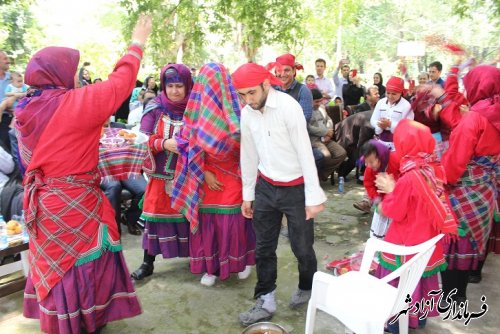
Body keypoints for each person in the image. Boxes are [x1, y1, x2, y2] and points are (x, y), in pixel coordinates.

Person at [16, 15, 151, 334]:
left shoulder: (25, 109)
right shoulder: (74, 104)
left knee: (56, 267)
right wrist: (137, 43)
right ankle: (85, 323)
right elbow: (120, 85)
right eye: (76, 73)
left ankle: (65, 325)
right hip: (74, 203)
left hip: (44, 206)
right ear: (60, 75)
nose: (80, 79)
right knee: (83, 263)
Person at [232, 62, 327, 326]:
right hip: (265, 186)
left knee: (302, 246)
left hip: (295, 189)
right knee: (263, 247)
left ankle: (307, 286)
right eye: (242, 95)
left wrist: (313, 196)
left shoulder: (288, 107)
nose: (247, 100)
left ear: (265, 85)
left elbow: (305, 152)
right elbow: (248, 154)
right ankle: (265, 298)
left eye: (251, 93)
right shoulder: (247, 113)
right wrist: (247, 194)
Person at [172, 63, 256, 287]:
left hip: (234, 175)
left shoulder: (240, 109)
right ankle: (212, 267)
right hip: (204, 176)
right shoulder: (194, 111)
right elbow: (186, 145)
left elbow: (249, 149)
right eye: (206, 82)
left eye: (215, 81)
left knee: (234, 219)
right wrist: (205, 172)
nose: (211, 87)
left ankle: (243, 260)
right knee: (207, 221)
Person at [375, 119, 456, 333]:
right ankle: (418, 319)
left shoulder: (410, 177)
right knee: (419, 281)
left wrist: (390, 190)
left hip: (405, 243)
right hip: (427, 242)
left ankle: (394, 324)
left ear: (404, 146)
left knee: (400, 284)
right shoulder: (434, 168)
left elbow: (394, 211)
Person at [439, 65, 499, 304]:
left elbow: (454, 163)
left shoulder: (474, 119)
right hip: (487, 191)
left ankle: (451, 297)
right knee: (472, 241)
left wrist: (439, 183)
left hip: (464, 191)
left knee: (455, 241)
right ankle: (460, 294)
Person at [130, 63, 193, 281]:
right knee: (154, 217)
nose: (175, 91)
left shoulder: (195, 108)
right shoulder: (154, 108)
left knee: (189, 216)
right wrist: (163, 143)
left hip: (189, 176)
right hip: (160, 176)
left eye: (179, 86)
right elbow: (141, 138)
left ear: (187, 86)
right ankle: (148, 263)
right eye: (170, 86)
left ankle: (196, 257)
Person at [356, 140, 400, 237]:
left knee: (394, 229)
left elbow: (405, 178)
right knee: (378, 230)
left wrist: (394, 187)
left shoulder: (396, 160)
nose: (369, 165)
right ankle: (378, 246)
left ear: (381, 156)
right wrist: (376, 198)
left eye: (371, 162)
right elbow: (368, 183)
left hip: (398, 200)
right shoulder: (370, 169)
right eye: (366, 162)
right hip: (381, 202)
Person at [308, 88, 346, 182]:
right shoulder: (306, 110)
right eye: (316, 102)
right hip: (314, 140)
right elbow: (308, 127)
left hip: (326, 138)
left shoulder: (321, 108)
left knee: (341, 153)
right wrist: (325, 132)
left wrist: (329, 132)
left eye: (320, 101)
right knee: (326, 156)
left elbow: (329, 120)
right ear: (310, 100)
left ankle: (322, 175)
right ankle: (315, 177)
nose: (319, 104)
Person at [370, 76, 413, 150]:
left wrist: (390, 124)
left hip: (398, 143)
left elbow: (408, 126)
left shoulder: (406, 105)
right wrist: (380, 125)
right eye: (388, 93)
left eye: (394, 94)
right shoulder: (381, 102)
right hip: (380, 141)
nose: (390, 96)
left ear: (400, 93)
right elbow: (373, 120)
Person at [268, 53, 313, 122]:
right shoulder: (270, 89)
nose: (282, 74)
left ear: (294, 71)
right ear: (276, 72)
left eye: (287, 70)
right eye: (279, 70)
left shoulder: (303, 91)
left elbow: (305, 118)